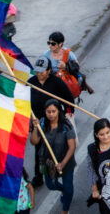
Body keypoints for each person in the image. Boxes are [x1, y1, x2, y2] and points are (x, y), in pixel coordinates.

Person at [28, 58, 75, 188]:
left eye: (42, 72)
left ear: (49, 70)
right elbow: (24, 102)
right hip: (39, 123)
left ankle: (63, 168)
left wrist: (64, 115)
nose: (39, 74)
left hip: (56, 122)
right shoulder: (30, 83)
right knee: (39, 150)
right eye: (37, 71)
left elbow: (69, 99)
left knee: (58, 146)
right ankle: (39, 175)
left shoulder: (57, 82)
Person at [30, 100, 76, 214]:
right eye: (48, 112)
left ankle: (65, 210)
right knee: (51, 185)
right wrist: (35, 128)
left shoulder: (66, 125)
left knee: (69, 189)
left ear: (58, 111)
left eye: (53, 111)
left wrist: (63, 163)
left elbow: (72, 147)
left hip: (66, 162)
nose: (51, 114)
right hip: (47, 161)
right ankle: (63, 190)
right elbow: (34, 141)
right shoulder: (41, 123)